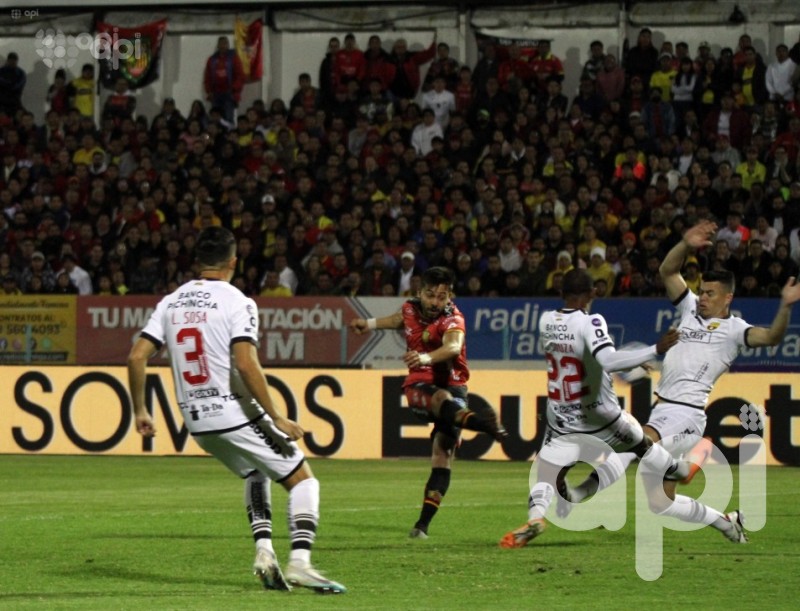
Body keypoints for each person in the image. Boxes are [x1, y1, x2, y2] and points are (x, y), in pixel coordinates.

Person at [127, 227, 346, 594]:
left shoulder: (171, 302)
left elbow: (136, 356)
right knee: (303, 478)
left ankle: (264, 553)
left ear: (198, 261)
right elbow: (245, 364)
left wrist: (141, 411)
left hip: (196, 421)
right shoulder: (238, 301)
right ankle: (301, 563)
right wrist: (277, 416)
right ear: (233, 261)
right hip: (230, 411)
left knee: (254, 474)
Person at [567, 220, 800, 543]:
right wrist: (686, 244)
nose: (702, 298)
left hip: (686, 413)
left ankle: (583, 490)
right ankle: (725, 521)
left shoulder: (735, 331)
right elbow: (667, 272)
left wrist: (786, 307)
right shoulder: (689, 310)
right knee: (660, 503)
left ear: (727, 298)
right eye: (701, 291)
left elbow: (772, 336)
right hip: (664, 408)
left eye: (710, 294)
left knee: (634, 440)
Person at [498, 268, 686, 548]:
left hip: (562, 416)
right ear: (593, 293)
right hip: (601, 417)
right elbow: (607, 360)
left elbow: (586, 354)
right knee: (642, 447)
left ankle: (536, 517)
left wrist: (629, 359)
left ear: (561, 293)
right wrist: (654, 349)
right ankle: (679, 470)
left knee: (546, 473)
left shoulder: (546, 320)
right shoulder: (592, 321)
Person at [349, 266, 506, 539]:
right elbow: (401, 319)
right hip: (421, 385)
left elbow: (454, 347)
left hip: (454, 385)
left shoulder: (453, 319)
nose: (436, 302)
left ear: (450, 297)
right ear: (419, 292)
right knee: (440, 399)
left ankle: (421, 526)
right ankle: (486, 425)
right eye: (431, 295)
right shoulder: (410, 308)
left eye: (442, 297)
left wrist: (423, 357)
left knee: (442, 455)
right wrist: (370, 324)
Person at [203, 36, 245, 124]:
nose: (222, 46)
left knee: (228, 117)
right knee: (215, 118)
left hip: (229, 93)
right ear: (217, 45)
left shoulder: (234, 58)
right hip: (216, 94)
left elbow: (240, 76)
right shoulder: (212, 60)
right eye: (221, 44)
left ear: (228, 45)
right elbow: (207, 77)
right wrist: (209, 91)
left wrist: (234, 88)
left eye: (225, 44)